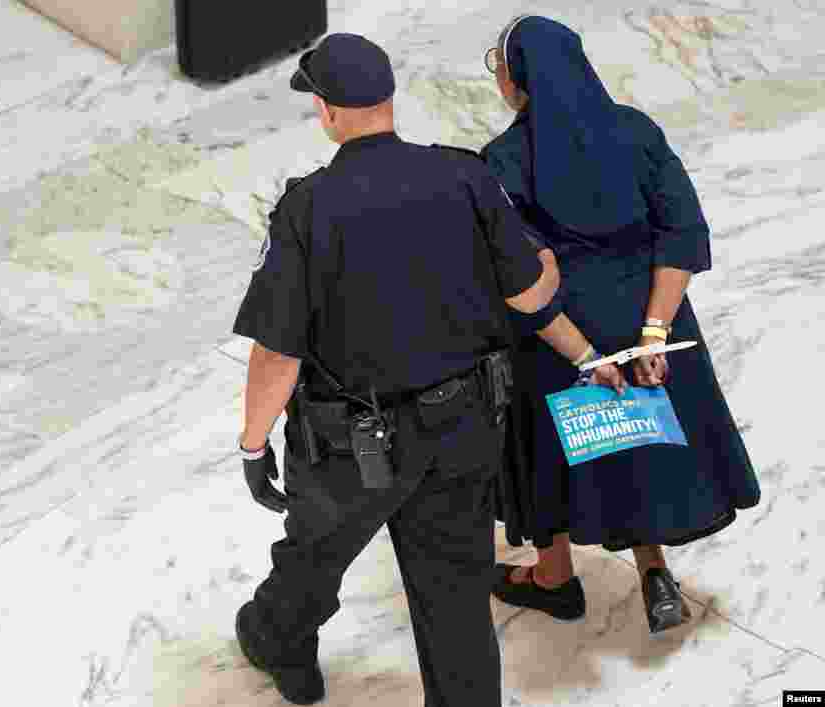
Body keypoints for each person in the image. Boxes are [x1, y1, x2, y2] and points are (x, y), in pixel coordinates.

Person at [230, 32, 622, 707]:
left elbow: (278, 353)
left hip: (350, 450)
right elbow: (530, 294)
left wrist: (253, 441)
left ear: (327, 112)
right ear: (387, 101)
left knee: (316, 552)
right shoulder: (465, 175)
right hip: (463, 431)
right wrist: (546, 273)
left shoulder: (307, 207)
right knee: (456, 600)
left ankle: (281, 642)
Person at [478, 15, 761, 634]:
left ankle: (553, 576)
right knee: (644, 439)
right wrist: (654, 332)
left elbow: (518, 276)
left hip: (560, 334)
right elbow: (681, 234)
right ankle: (653, 570)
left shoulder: (501, 161)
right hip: (650, 316)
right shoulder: (636, 132)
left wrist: (584, 355)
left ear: (518, 78)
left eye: (497, 63)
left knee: (550, 448)